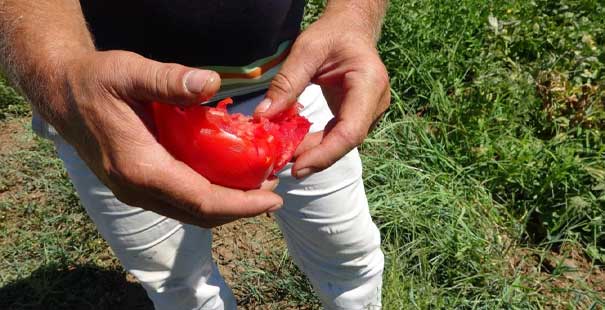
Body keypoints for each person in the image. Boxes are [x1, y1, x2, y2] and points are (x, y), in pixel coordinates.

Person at [0, 0, 391, 309]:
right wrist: (58, 78)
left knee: (350, 254)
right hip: (113, 114)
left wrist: (354, 14)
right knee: (179, 287)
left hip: (296, 85)